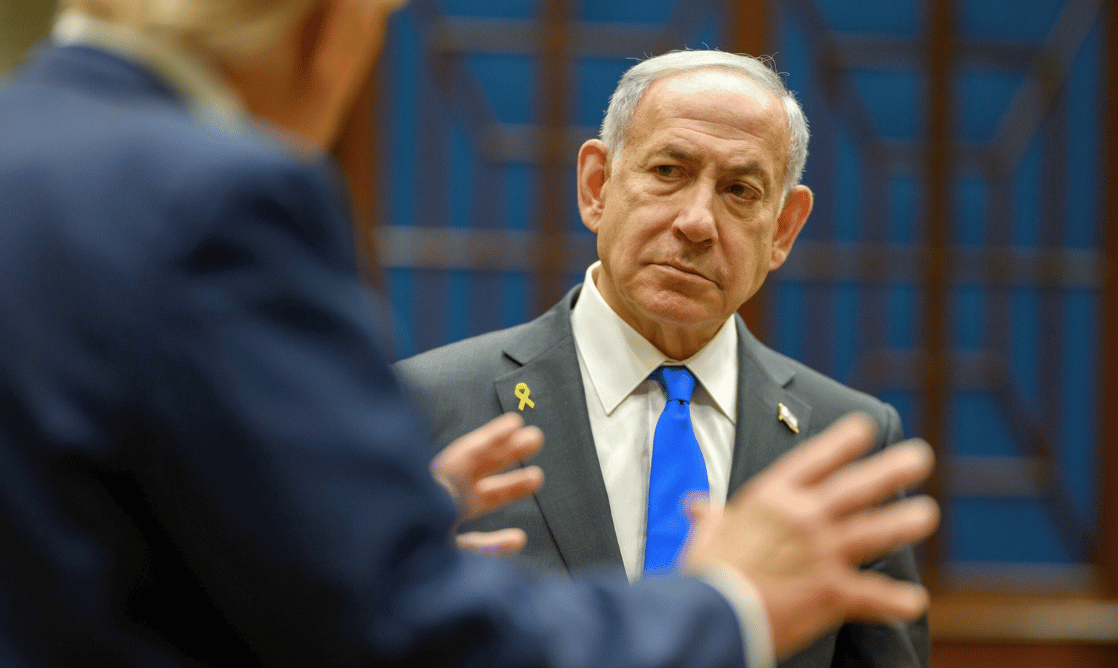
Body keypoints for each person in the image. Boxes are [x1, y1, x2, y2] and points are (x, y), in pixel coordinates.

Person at [0, 0, 937, 667]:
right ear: (333, 21)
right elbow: (412, 639)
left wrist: (347, 534)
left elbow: (75, 580)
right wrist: (726, 602)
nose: (694, 218)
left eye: (738, 191)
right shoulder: (222, 207)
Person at [396, 50, 929, 667]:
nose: (697, 222)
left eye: (739, 190)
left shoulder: (844, 443)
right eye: (669, 171)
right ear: (596, 186)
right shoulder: (425, 407)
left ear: (783, 229)